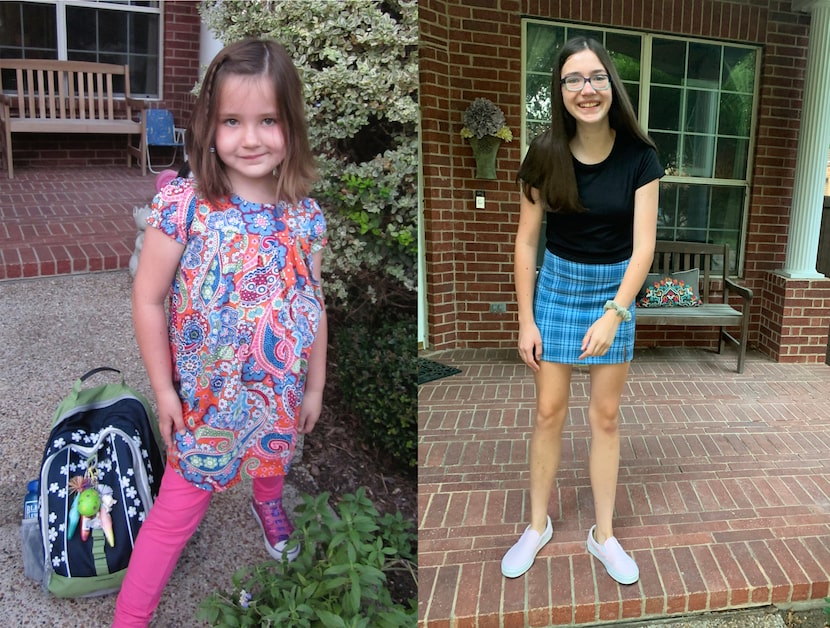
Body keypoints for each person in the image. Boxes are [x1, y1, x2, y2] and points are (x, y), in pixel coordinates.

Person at [113, 38, 327, 626]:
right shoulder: (186, 206)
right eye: (233, 121)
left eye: (268, 121)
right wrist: (163, 391)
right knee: (176, 511)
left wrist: (313, 386)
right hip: (205, 404)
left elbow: (314, 304)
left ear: (292, 128)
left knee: (272, 455)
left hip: (276, 391)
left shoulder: (303, 215)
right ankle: (130, 616)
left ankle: (268, 502)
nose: (250, 138)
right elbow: (149, 297)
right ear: (209, 125)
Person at [500, 36, 663, 585]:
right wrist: (525, 318)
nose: (585, 90)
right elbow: (526, 242)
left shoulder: (642, 157)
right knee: (548, 412)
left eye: (595, 78)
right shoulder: (543, 154)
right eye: (573, 80)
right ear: (560, 90)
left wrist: (616, 311)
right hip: (557, 291)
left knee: (605, 417)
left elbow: (644, 248)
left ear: (610, 85)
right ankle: (537, 525)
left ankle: (604, 536)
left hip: (614, 294)